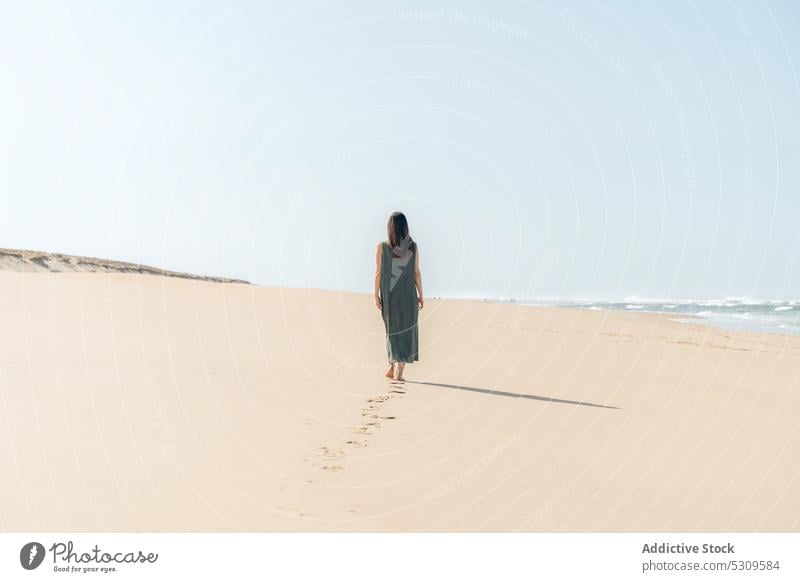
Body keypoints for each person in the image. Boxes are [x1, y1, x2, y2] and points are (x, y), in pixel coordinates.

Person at [374, 211, 423, 381]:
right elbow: (416, 273)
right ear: (405, 227)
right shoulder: (413, 247)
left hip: (389, 296)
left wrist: (375, 295)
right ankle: (399, 371)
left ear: (390, 228)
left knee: (392, 331)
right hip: (408, 295)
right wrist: (421, 295)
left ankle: (392, 365)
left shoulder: (381, 247)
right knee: (407, 331)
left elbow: (378, 273)